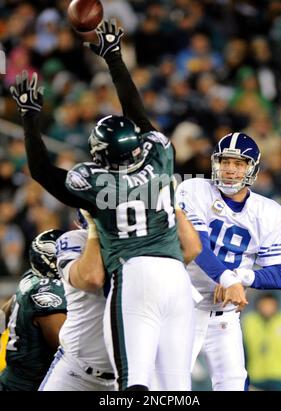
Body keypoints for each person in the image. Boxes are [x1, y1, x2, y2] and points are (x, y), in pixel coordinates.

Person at [9, 20, 204, 391]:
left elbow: (41, 171)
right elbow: (138, 111)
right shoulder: (160, 155)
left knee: (134, 385)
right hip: (176, 275)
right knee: (177, 389)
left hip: (133, 276)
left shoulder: (95, 183)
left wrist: (29, 118)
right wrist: (114, 56)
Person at [176, 132, 281, 391]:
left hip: (224, 315)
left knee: (233, 384)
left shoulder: (269, 211)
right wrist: (227, 278)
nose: (229, 170)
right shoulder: (193, 189)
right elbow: (197, 248)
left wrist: (240, 277)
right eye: (225, 162)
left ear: (252, 169)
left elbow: (278, 275)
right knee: (169, 386)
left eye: (238, 164)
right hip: (183, 308)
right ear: (215, 163)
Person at [39, 210, 116, 391]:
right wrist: (95, 230)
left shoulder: (138, 246)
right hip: (75, 372)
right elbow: (91, 277)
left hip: (127, 374)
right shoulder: (74, 240)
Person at [0, 230, 67, 391]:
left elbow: (4, 312)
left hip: (13, 378)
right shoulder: (49, 293)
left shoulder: (31, 276)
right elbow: (66, 348)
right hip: (31, 384)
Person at [243, 293, 281, 391]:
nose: (267, 308)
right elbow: (243, 351)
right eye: (264, 305)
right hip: (256, 376)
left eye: (270, 305)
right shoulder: (248, 321)